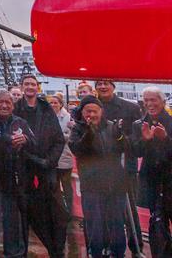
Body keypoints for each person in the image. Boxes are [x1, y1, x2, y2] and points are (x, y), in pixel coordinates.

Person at [13, 74, 67, 258]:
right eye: (26, 84)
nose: (30, 87)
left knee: (56, 216)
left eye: (33, 84)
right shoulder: (15, 109)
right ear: (22, 87)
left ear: (38, 87)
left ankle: (56, 250)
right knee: (25, 216)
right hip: (23, 170)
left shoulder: (46, 109)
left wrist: (50, 161)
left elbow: (59, 140)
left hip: (46, 170)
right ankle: (22, 252)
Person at [69, 95, 130, 258]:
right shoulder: (77, 130)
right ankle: (95, 252)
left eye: (95, 111)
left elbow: (125, 147)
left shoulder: (111, 127)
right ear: (82, 112)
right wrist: (89, 133)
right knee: (95, 225)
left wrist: (119, 135)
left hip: (115, 184)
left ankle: (118, 253)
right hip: (92, 186)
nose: (92, 115)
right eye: (88, 111)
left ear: (101, 111)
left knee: (117, 223)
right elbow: (77, 149)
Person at [0, 90, 35, 258]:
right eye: (0, 102)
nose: (4, 105)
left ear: (12, 105)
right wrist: (9, 139)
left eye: (8, 103)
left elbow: (33, 142)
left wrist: (25, 140)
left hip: (13, 180)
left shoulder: (20, 122)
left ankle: (13, 254)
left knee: (12, 222)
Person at [95, 79, 144, 256]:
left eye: (106, 83)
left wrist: (120, 139)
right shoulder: (92, 108)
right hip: (101, 168)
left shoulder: (129, 108)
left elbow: (136, 137)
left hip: (125, 167)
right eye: (99, 83)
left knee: (129, 209)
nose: (102, 86)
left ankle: (136, 246)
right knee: (107, 210)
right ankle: (111, 247)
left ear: (113, 86)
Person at [130, 86, 172, 258]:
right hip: (152, 183)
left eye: (153, 99)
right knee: (157, 226)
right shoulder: (139, 124)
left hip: (170, 181)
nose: (149, 103)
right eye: (146, 100)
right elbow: (135, 151)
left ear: (162, 101)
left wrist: (165, 139)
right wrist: (146, 141)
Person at [47, 92, 74, 212]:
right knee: (54, 185)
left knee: (67, 185)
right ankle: (58, 209)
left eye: (55, 103)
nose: (53, 105)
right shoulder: (46, 116)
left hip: (64, 156)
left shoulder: (68, 117)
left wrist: (55, 136)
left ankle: (70, 208)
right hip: (51, 156)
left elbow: (70, 136)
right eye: (51, 103)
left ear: (60, 104)